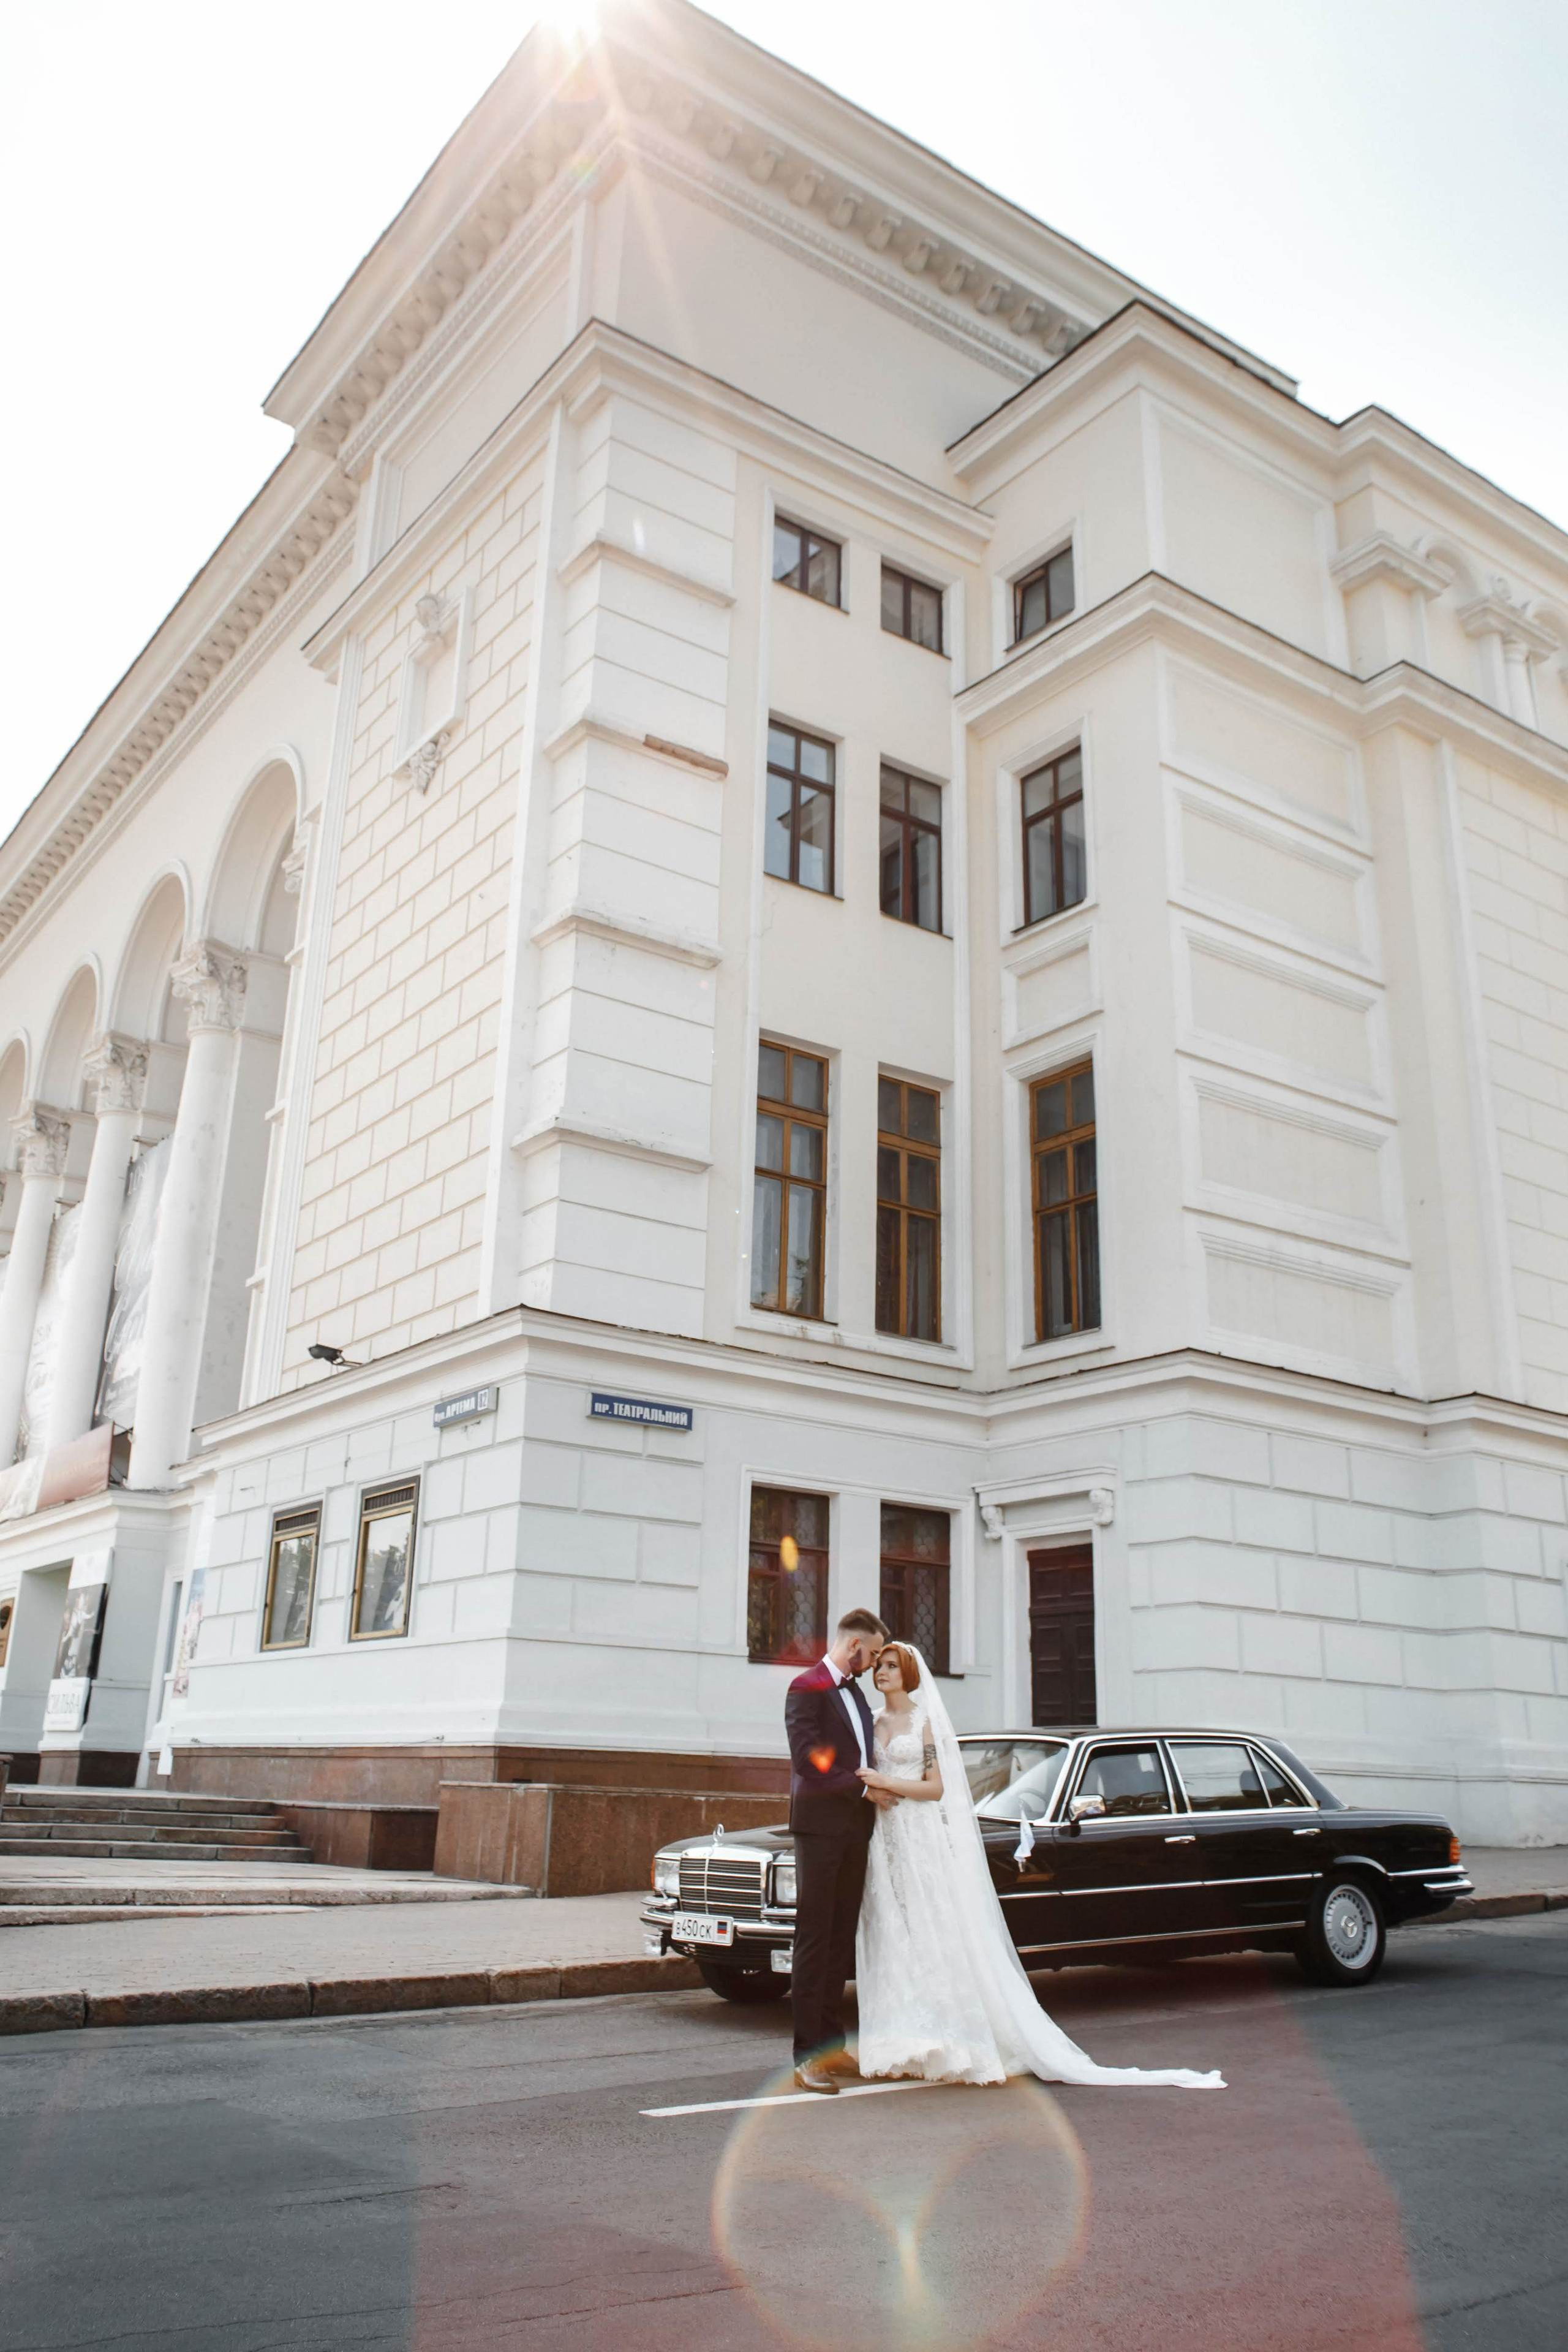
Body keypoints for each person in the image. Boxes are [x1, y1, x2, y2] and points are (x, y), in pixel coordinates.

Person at [853, 1641, 1226, 2090]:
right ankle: (902, 2039)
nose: (882, 1672)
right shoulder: (872, 1722)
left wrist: (885, 1780)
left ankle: (948, 2039)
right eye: (879, 1666)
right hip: (885, 1839)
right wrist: (871, 1788)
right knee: (896, 1932)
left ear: (910, 1673)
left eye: (892, 1665)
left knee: (936, 1930)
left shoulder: (925, 1721)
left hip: (922, 1837)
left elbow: (935, 1788)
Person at [783, 1606, 892, 2093]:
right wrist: (864, 1788)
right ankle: (807, 2057)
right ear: (854, 1647)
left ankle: (832, 2046)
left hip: (856, 1829)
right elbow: (809, 1760)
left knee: (840, 1937)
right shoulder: (806, 1687)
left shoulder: (856, 1692)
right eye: (871, 1655)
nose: (872, 1664)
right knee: (815, 1936)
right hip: (821, 1828)